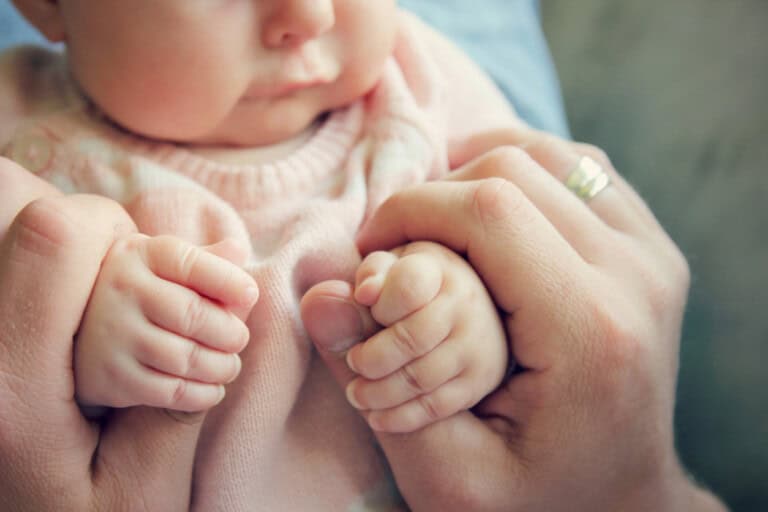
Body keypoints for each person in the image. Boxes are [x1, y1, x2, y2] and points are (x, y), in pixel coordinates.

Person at [0, 3, 728, 512]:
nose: (308, 14)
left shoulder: (421, 80)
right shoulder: (16, 123)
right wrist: (82, 349)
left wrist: (463, 318)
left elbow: (545, 274)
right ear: (46, 6)